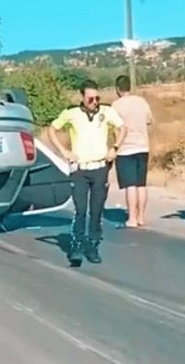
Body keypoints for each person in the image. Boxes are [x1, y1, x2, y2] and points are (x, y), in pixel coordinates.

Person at [48, 80, 127, 266]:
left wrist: (115, 147)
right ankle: (76, 246)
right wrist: (63, 151)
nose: (95, 101)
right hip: (80, 169)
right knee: (81, 209)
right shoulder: (72, 113)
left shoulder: (107, 112)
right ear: (82, 97)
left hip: (100, 167)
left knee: (97, 210)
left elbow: (122, 128)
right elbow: (53, 129)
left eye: (97, 97)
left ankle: (92, 245)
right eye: (91, 98)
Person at [111, 75, 153, 228]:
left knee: (130, 185)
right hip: (143, 146)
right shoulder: (142, 102)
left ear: (117, 89)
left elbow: (114, 127)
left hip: (125, 148)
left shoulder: (116, 106)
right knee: (141, 184)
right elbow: (149, 121)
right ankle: (141, 216)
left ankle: (132, 218)